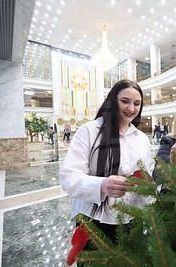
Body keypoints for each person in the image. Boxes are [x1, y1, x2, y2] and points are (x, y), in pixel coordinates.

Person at [59, 79, 154, 246]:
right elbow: (69, 178)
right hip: (94, 220)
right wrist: (102, 185)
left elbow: (147, 173)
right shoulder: (89, 131)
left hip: (132, 219)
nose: (131, 109)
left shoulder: (142, 139)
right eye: (125, 101)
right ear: (113, 101)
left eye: (137, 104)